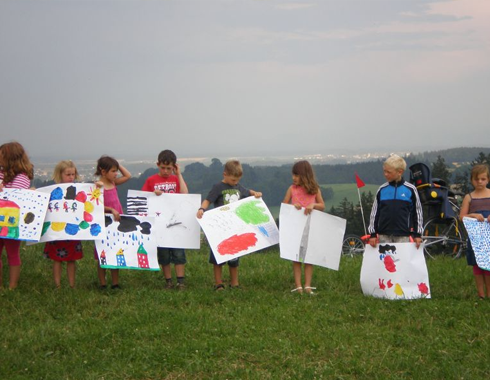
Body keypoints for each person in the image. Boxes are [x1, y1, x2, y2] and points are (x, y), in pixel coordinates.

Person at [196, 160, 262, 290]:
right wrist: (202, 209)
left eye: (237, 180)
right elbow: (208, 200)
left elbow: (248, 192)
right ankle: (218, 283)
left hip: (234, 229)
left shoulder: (238, 187)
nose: (235, 183)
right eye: (233, 180)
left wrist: (255, 193)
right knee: (218, 258)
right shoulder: (218, 187)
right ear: (225, 174)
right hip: (220, 229)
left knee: (234, 258)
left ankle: (234, 283)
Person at [142, 150, 189, 290]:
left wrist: (178, 174)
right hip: (159, 224)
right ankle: (168, 281)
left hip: (175, 223)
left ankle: (181, 281)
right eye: (163, 167)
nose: (166, 171)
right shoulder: (151, 180)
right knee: (164, 254)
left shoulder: (175, 179)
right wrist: (152, 194)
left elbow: (185, 193)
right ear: (158, 165)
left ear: (174, 167)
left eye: (169, 168)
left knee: (178, 253)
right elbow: (143, 198)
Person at [282, 160, 325, 294]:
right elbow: (284, 205)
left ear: (305, 175)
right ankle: (298, 285)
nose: (293, 178)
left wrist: (313, 205)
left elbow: (322, 205)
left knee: (308, 257)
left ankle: (307, 285)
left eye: (297, 175)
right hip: (296, 228)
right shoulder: (292, 189)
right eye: (293, 175)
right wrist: (292, 206)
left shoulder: (315, 190)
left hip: (310, 228)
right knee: (296, 257)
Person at [43, 161, 84, 288]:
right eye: (68, 174)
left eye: (73, 174)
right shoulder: (53, 191)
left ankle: (72, 285)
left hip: (72, 230)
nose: (71, 177)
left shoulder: (79, 190)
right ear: (60, 175)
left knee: (71, 259)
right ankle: (58, 285)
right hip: (57, 230)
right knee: (57, 258)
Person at [368, 154, 423, 249]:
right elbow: (374, 213)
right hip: (383, 235)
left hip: (403, 235)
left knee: (401, 263)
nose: (385, 174)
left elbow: (417, 213)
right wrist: (373, 234)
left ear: (400, 172)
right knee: (386, 262)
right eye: (384, 171)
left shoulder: (410, 189)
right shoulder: (382, 189)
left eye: (388, 172)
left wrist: (417, 234)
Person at [0, 141, 34, 289]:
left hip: (12, 221)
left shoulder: (21, 177)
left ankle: (12, 286)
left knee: (12, 253)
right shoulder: (1, 173)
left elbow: (15, 197)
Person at [94, 156, 131, 289]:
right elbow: (95, 204)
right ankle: (103, 283)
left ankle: (115, 283)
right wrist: (110, 209)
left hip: (115, 222)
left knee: (116, 251)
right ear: (103, 172)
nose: (116, 174)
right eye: (113, 171)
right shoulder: (98, 186)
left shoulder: (113, 182)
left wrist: (118, 164)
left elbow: (128, 176)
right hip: (104, 222)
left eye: (116, 171)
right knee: (101, 254)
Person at [459, 164, 490, 299]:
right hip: (475, 236)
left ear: (488, 179)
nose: (480, 182)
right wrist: (473, 215)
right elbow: (462, 216)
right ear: (472, 180)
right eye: (477, 179)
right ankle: (481, 294)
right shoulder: (469, 197)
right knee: (477, 264)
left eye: (483, 179)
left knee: (488, 264)